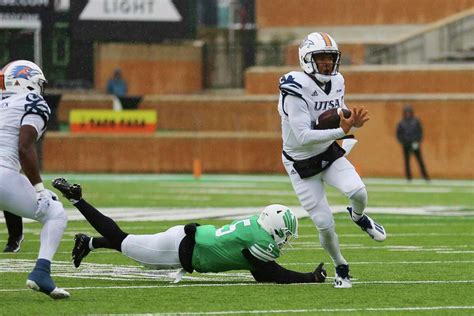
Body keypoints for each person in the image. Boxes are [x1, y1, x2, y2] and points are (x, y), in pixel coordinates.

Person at [52, 177, 328, 284]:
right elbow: (271, 274)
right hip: (176, 251)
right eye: (284, 234)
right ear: (274, 229)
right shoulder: (261, 241)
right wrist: (311, 278)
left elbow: (260, 272)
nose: (285, 240)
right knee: (121, 239)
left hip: (185, 239)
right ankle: (76, 199)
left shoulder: (256, 225)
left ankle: (87, 243)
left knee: (129, 241)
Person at [277, 32, 387, 288]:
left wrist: (347, 117)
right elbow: (303, 136)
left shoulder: (337, 80)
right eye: (321, 58)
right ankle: (340, 265)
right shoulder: (294, 88)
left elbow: (334, 109)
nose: (327, 63)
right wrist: (342, 131)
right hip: (301, 163)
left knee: (359, 192)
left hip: (327, 152)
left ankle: (359, 217)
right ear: (306, 59)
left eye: (330, 58)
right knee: (324, 223)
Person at [0, 60, 69, 299]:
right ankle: (41, 272)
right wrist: (38, 189)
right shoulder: (32, 101)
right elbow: (24, 146)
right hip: (2, 174)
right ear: (27, 80)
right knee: (56, 214)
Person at [396, 105, 430, 181]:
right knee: (407, 161)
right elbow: (398, 134)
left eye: (409, 112)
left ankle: (425, 176)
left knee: (420, 160)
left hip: (415, 144)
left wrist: (417, 141)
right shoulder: (401, 123)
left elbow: (420, 132)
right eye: (406, 112)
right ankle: (409, 177)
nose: (408, 114)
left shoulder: (416, 121)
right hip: (406, 144)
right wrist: (403, 141)